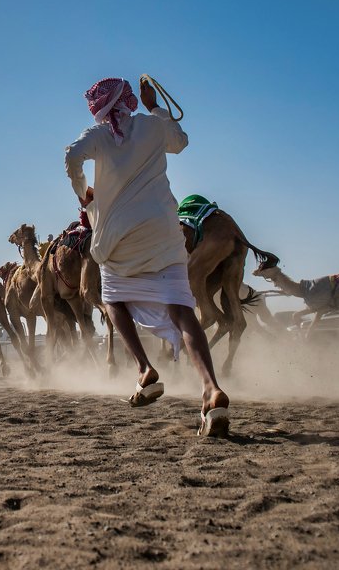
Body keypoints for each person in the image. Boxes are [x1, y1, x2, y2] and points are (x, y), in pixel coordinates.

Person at [64, 76, 230, 437]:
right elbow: (181, 141)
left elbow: (71, 155)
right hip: (163, 232)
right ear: (130, 101)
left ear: (97, 109)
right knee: (182, 310)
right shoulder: (153, 126)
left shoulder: (96, 135)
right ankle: (211, 389)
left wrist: (83, 194)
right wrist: (154, 105)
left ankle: (144, 368)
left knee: (111, 297)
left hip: (118, 236)